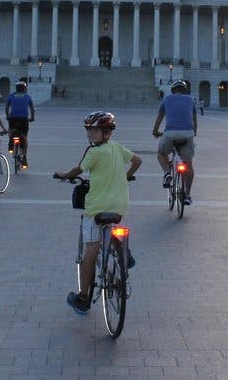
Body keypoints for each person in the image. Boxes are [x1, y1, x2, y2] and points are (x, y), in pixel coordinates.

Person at [54, 110, 142, 315]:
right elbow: (137, 160)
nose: (90, 134)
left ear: (107, 133)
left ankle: (83, 298)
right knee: (113, 228)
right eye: (89, 130)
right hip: (120, 206)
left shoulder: (93, 153)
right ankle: (123, 251)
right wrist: (126, 176)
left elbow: (78, 170)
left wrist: (66, 175)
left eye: (95, 130)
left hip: (97, 208)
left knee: (90, 251)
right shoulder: (117, 148)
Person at [152, 80, 197, 205]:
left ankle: (167, 173)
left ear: (173, 90)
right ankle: (187, 195)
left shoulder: (167, 98)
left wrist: (155, 131)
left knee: (161, 153)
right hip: (188, 134)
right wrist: (195, 132)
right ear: (185, 90)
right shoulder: (190, 99)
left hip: (170, 133)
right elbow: (194, 119)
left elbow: (160, 117)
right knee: (188, 165)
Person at [4, 81, 36, 167]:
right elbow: (32, 109)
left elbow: (6, 107)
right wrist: (32, 118)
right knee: (24, 138)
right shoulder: (27, 97)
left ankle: (11, 143)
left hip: (13, 119)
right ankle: (24, 157)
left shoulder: (11, 96)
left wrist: (7, 116)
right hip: (23, 119)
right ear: (24, 88)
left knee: (10, 130)